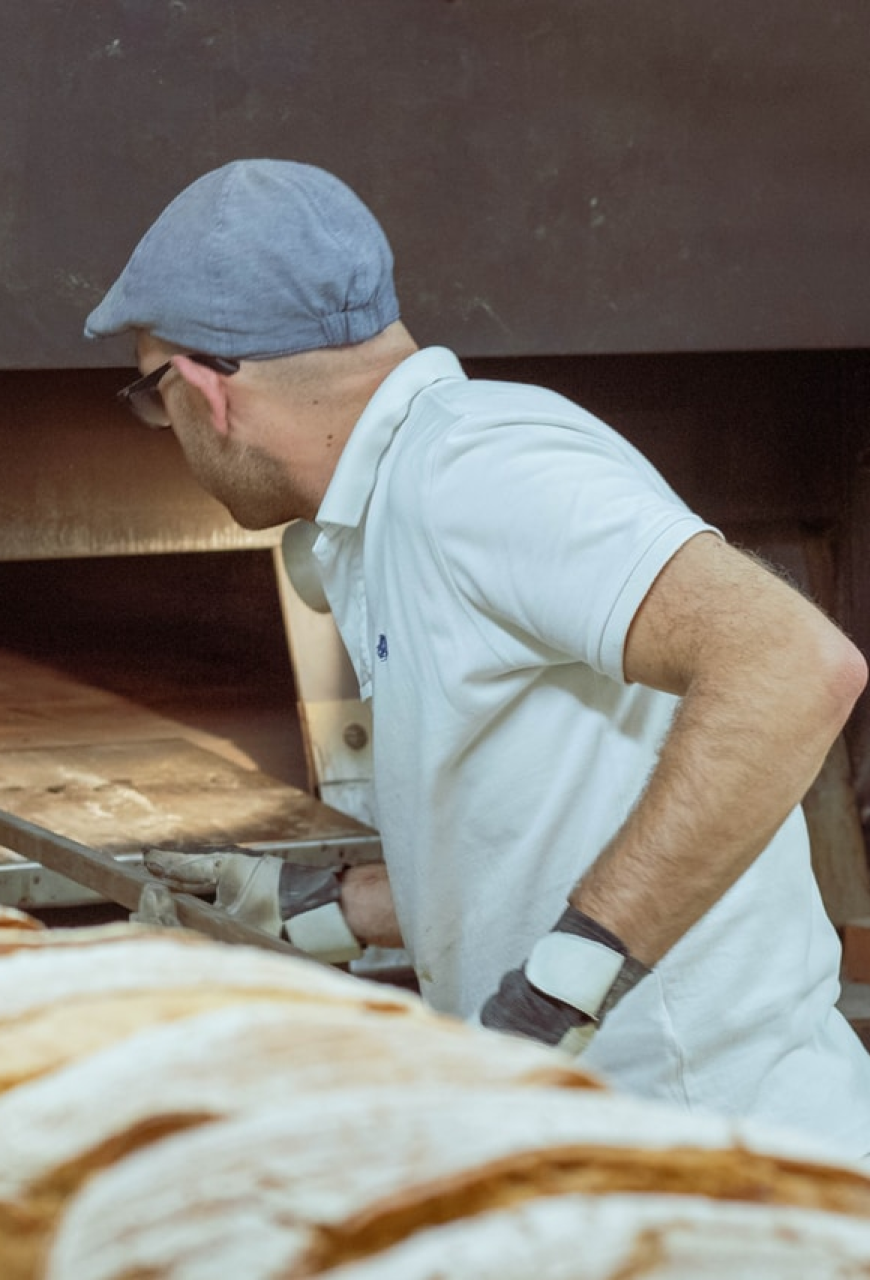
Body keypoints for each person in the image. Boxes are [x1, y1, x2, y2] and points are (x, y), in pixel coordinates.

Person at [83, 158, 870, 1157]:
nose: (169, 429)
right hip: (603, 1143)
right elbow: (536, 816)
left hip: (717, 1161)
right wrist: (325, 911)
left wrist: (559, 991)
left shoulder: (476, 473)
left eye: (154, 396)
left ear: (205, 391)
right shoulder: (398, 500)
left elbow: (795, 662)